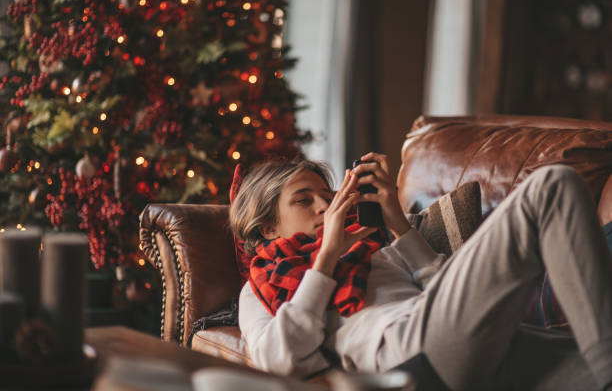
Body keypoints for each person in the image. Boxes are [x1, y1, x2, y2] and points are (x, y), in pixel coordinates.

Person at [229, 152, 612, 391]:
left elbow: (449, 290)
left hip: (483, 345)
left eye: (327, 198)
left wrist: (398, 224)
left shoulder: (372, 248)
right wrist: (327, 256)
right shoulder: (259, 288)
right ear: (268, 228)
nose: (324, 207)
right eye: (304, 200)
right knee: (552, 184)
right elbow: (276, 360)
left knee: (590, 372)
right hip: (409, 359)